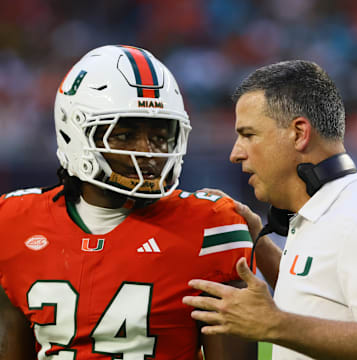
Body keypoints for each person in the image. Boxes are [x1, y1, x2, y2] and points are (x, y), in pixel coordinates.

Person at [0, 45, 258, 359]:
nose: (148, 151)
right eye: (124, 135)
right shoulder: (13, 221)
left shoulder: (211, 225)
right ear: (77, 133)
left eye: (160, 136)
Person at [182, 60, 357, 360]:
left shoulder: (353, 216)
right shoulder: (322, 210)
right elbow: (317, 301)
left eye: (249, 134)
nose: (235, 153)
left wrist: (274, 324)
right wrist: (259, 243)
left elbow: (286, 322)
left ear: (298, 133)